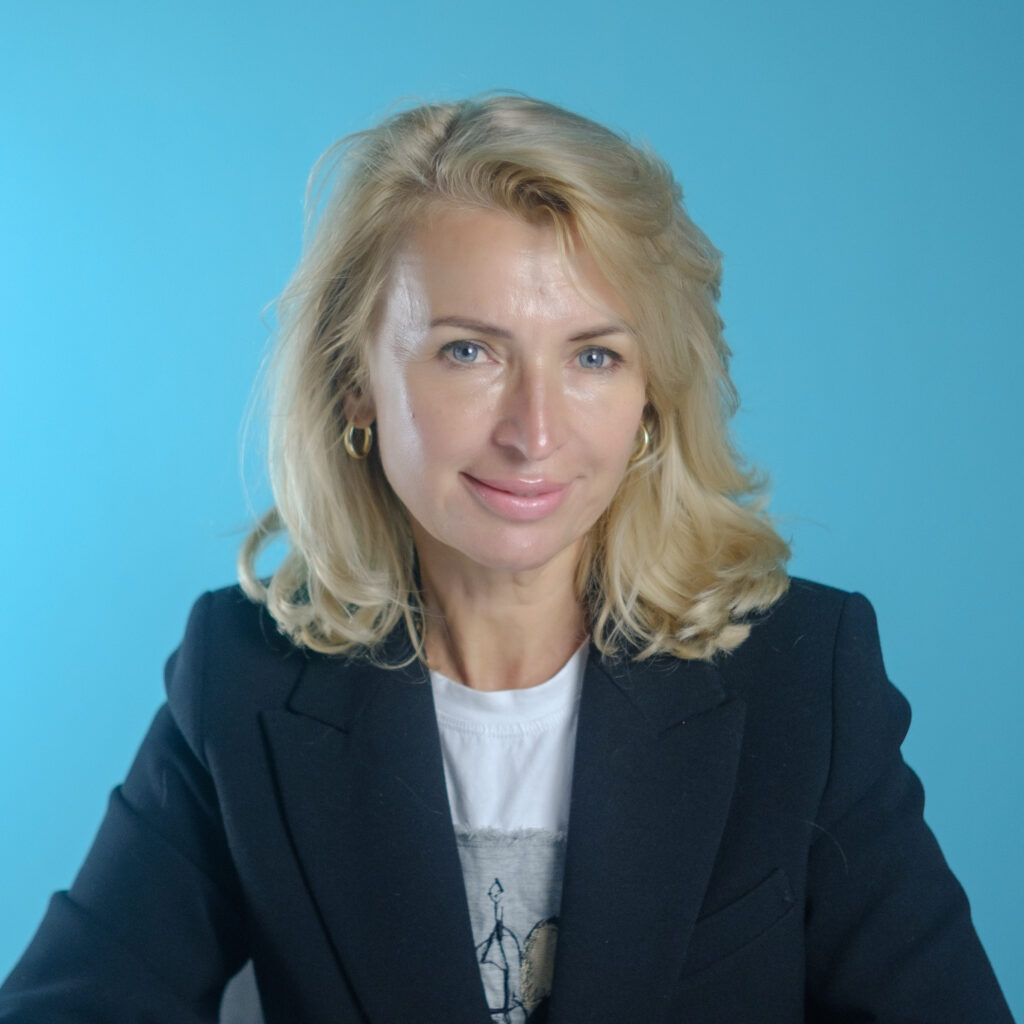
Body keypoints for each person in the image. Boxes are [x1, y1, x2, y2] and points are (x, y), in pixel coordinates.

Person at [0, 95, 1013, 1024]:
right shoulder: (241, 678)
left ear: (650, 395)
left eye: (593, 356)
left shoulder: (803, 674)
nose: (534, 433)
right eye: (468, 351)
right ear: (356, 382)